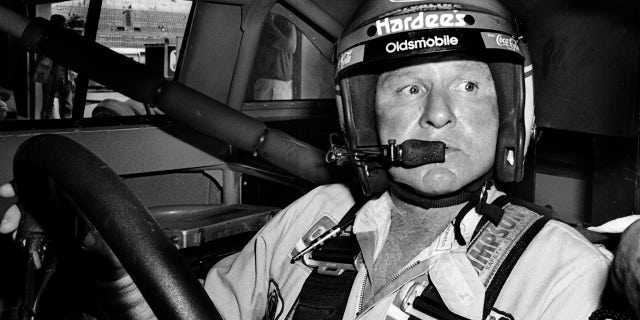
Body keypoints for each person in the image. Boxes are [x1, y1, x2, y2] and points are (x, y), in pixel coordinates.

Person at [0, 1, 616, 319]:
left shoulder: (564, 271)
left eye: (468, 87)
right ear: (362, 117)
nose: (436, 115)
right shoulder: (318, 216)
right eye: (407, 88)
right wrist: (114, 271)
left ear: (510, 112)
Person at [35, 14, 75, 119]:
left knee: (61, 101)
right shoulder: (47, 36)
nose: (62, 26)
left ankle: (50, 119)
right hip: (51, 71)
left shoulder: (61, 37)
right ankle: (46, 119)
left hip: (60, 72)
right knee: (49, 100)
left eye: (63, 24)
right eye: (61, 24)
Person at [252, 13, 297, 100]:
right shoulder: (265, 19)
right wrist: (292, 18)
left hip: (282, 85)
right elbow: (290, 47)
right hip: (271, 85)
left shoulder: (281, 18)